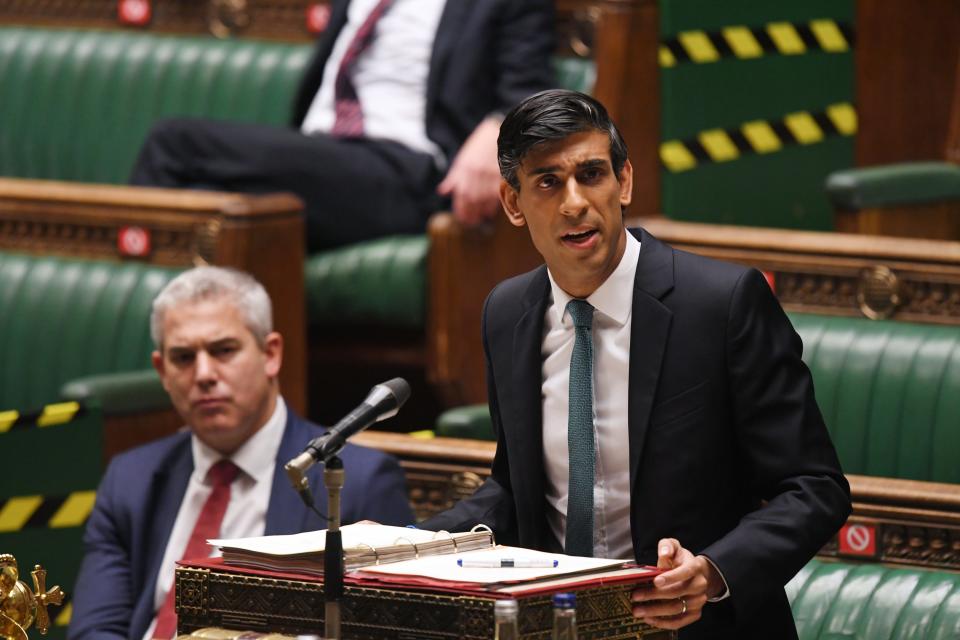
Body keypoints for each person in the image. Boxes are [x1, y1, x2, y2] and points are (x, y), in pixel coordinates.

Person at [420, 90, 852, 638]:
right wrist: (411, 544)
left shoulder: (719, 304)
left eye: (591, 174)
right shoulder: (507, 313)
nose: (574, 203)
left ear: (624, 182)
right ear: (512, 202)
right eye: (548, 182)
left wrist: (714, 571)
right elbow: (515, 487)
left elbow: (814, 486)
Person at [68, 267, 413, 640]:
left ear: (270, 354)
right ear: (162, 371)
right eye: (183, 357)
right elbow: (95, 630)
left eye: (223, 350)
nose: (203, 374)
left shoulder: (357, 484)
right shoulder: (129, 479)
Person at [130, 0, 555, 251]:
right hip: (326, 163)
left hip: (405, 169)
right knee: (211, 211)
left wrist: (499, 127)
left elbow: (530, 89)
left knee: (173, 144)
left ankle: (136, 372)